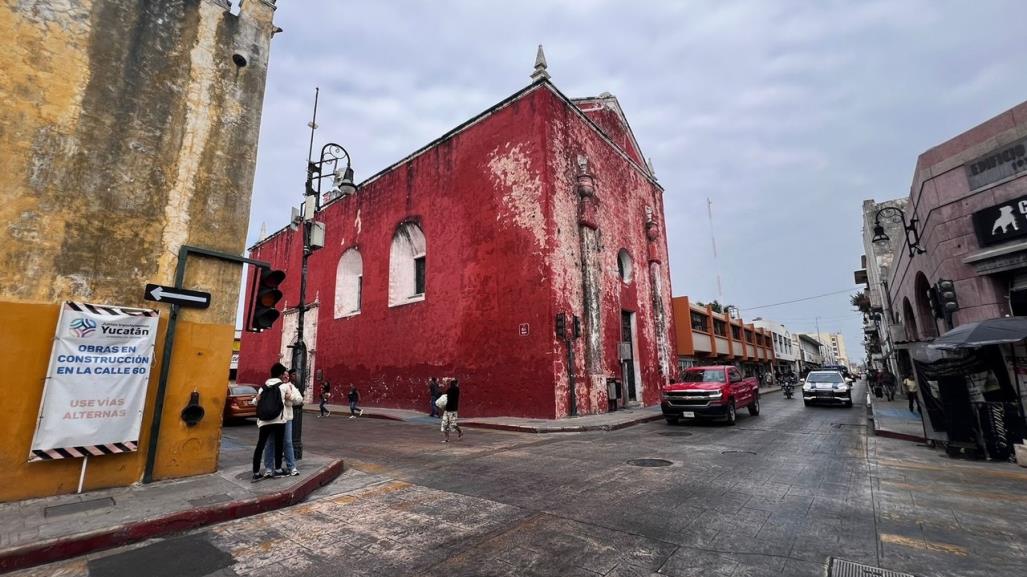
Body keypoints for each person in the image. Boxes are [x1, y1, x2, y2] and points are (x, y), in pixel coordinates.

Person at [251, 362, 301, 481]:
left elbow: (254, 402)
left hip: (264, 421)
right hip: (278, 420)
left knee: (261, 446)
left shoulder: (262, 387)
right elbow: (294, 399)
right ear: (280, 374)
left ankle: (257, 472)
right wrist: (290, 397)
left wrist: (256, 399)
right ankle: (278, 470)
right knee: (279, 444)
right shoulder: (283, 386)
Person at [262, 368, 303, 476]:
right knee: (270, 443)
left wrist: (290, 397)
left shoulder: (290, 386)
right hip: (272, 418)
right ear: (279, 376)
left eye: (287, 375)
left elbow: (299, 399)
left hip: (286, 419)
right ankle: (269, 469)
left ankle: (292, 467)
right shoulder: (270, 385)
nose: (286, 377)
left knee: (287, 442)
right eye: (284, 375)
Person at [441, 378, 463, 443]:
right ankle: (447, 439)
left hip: (452, 410)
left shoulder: (455, 389)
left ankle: (460, 431)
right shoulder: (453, 389)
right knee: (445, 425)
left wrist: (445, 383)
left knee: (452, 424)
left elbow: (444, 394)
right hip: (449, 409)